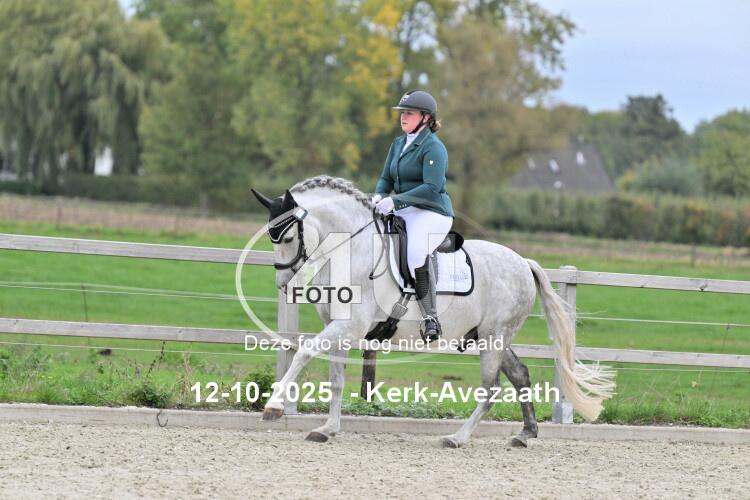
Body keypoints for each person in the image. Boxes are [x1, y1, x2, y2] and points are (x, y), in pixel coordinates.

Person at [371, 90, 454, 342]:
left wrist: (394, 201)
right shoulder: (398, 144)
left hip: (432, 212)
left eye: (409, 113)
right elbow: (386, 178)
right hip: (405, 209)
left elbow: (431, 188)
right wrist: (379, 195)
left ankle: (431, 318)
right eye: (402, 113)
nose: (403, 117)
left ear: (425, 118)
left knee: (416, 252)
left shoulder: (434, 148)